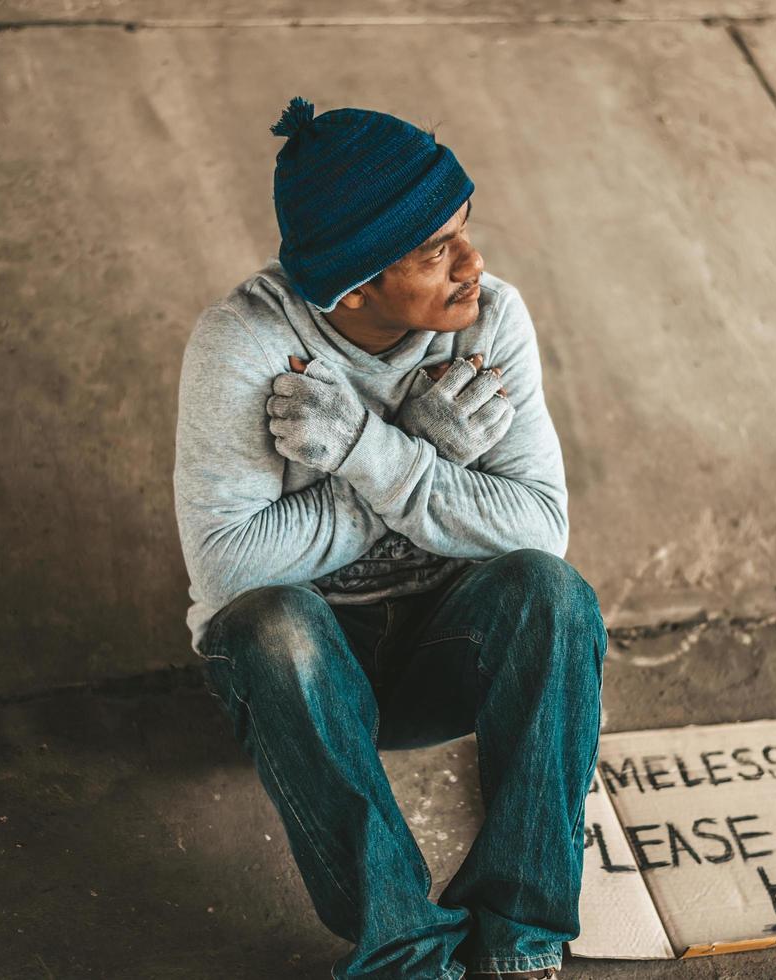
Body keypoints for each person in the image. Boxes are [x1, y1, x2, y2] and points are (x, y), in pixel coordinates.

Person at [172, 95, 608, 980]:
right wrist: (423, 460)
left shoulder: (491, 320)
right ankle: (407, 952)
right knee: (269, 624)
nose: (472, 263)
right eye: (435, 249)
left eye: (465, 228)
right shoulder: (245, 344)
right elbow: (228, 568)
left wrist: (377, 453)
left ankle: (521, 940)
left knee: (550, 597)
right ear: (353, 283)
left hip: (447, 650)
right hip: (313, 684)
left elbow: (538, 526)